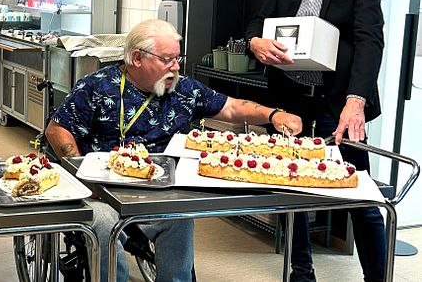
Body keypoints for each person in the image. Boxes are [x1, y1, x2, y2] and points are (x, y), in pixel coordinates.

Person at [45, 19, 304, 282]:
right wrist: (80, 172)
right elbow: (57, 129)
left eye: (178, 58)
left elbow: (232, 108)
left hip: (157, 191)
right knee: (103, 223)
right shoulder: (97, 87)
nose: (176, 67)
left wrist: (273, 115)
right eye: (167, 59)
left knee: (179, 218)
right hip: (101, 191)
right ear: (137, 58)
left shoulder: (183, 89)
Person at [245, 0, 385, 282]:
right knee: (292, 193)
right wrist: (255, 41)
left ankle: (378, 275)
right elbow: (259, 21)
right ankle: (300, 269)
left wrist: (356, 102)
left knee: (360, 195)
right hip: (290, 100)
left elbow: (370, 39)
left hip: (336, 104)